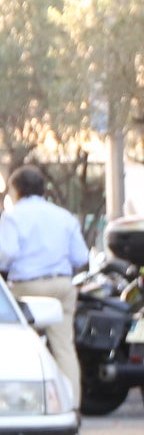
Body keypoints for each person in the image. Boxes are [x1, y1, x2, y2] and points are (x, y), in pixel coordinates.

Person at [0, 165, 89, 389]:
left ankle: (24, 397)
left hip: (26, 287)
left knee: (18, 343)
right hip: (62, 285)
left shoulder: (13, 216)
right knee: (64, 348)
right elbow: (81, 257)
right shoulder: (64, 216)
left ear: (16, 190)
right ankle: (72, 403)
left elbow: (6, 254)